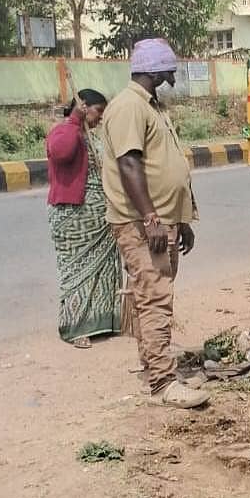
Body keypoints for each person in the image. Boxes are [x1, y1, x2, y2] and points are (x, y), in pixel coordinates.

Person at [100, 39, 209, 409]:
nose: (173, 71)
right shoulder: (129, 106)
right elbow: (130, 165)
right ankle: (163, 383)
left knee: (150, 294)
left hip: (163, 220)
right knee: (156, 298)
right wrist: (151, 219)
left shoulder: (151, 106)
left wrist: (182, 218)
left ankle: (153, 365)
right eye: (168, 66)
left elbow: (165, 165)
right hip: (142, 223)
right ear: (153, 68)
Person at [46, 88, 121, 348]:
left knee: (101, 271)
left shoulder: (92, 136)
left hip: (99, 217)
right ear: (84, 106)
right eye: (98, 111)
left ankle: (102, 321)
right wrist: (75, 119)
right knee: (76, 272)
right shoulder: (64, 131)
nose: (100, 118)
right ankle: (76, 328)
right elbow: (62, 152)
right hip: (72, 216)